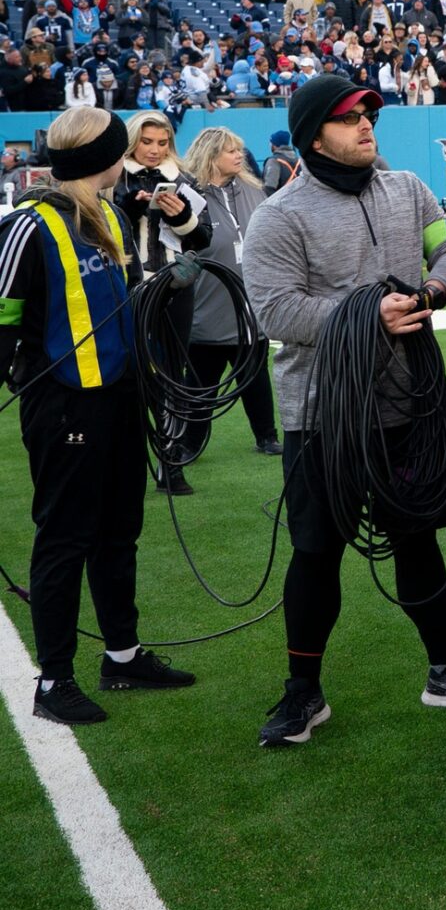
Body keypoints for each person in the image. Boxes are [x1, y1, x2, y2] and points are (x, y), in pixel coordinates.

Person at [240, 76, 446, 750]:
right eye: (349, 118)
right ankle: (303, 691)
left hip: (407, 407)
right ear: (313, 136)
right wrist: (369, 312)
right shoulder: (279, 214)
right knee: (315, 553)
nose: (367, 125)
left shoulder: (408, 190)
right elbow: (274, 310)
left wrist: (434, 285)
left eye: (369, 113)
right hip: (324, 416)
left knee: (417, 540)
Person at [0, 108, 195, 725]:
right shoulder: (27, 225)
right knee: (64, 538)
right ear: (104, 157)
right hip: (64, 405)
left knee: (118, 532)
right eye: (122, 147)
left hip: (119, 400)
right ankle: (54, 682)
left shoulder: (110, 213)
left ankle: (122, 655)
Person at [115, 109, 208, 492]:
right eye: (147, 141)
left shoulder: (183, 180)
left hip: (173, 289)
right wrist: (128, 208)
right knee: (126, 375)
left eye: (162, 142)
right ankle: (130, 459)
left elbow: (202, 238)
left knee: (172, 376)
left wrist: (182, 217)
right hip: (125, 288)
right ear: (133, 140)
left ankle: (171, 464)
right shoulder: (112, 177)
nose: (154, 150)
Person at [177, 126, 279, 456]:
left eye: (239, 149)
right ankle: (190, 444)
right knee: (200, 385)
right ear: (210, 155)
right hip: (206, 308)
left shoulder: (253, 190)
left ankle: (267, 437)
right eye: (231, 150)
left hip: (250, 307)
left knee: (256, 378)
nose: (239, 156)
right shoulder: (187, 196)